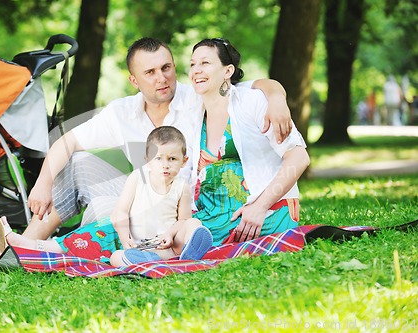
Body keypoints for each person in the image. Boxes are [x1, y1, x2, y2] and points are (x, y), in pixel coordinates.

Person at [18, 37, 294, 242]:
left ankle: (64, 249)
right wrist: (43, 183)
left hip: (177, 203)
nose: (161, 78)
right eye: (150, 73)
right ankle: (25, 244)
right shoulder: (122, 112)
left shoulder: (197, 97)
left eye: (166, 68)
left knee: (104, 210)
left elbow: (245, 86)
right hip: (141, 192)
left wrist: (277, 96)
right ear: (134, 80)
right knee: (78, 163)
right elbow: (66, 142)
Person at [0, 126, 213, 266]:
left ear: (184, 162)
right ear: (147, 158)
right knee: (92, 243)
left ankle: (177, 253)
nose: (165, 165)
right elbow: (120, 212)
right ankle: (23, 243)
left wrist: (171, 233)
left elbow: (182, 220)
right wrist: (125, 238)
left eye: (172, 160)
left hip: (160, 243)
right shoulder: (138, 177)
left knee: (193, 223)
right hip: (128, 237)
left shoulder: (181, 187)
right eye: (159, 159)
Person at [188, 38, 310, 244]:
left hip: (260, 213)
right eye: (192, 64)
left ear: (227, 71)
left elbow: (299, 158)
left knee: (180, 238)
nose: (196, 70)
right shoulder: (193, 111)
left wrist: (260, 206)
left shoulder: (251, 101)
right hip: (210, 214)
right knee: (160, 229)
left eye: (205, 63)